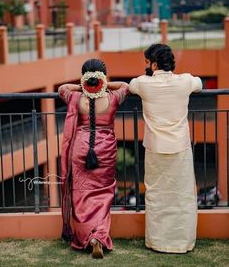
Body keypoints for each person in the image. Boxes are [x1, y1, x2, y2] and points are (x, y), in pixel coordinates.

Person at [129, 44, 202, 253]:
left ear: (153, 63)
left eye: (146, 62)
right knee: (183, 195)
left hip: (155, 148)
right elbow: (200, 84)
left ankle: (157, 242)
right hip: (180, 147)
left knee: (157, 194)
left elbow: (130, 85)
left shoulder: (143, 84)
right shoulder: (185, 81)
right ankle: (182, 243)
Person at [58, 58, 129, 259]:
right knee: (104, 194)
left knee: (81, 195)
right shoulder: (114, 97)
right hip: (105, 149)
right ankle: (99, 236)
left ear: (84, 77)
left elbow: (62, 88)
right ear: (103, 76)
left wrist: (83, 84)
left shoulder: (74, 97)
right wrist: (105, 83)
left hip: (80, 148)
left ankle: (87, 238)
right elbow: (127, 86)